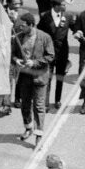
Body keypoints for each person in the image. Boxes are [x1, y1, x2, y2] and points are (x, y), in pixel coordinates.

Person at [12, 12, 55, 148]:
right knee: (25, 105)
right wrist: (16, 60)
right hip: (24, 77)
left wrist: (34, 63)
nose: (21, 28)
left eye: (23, 26)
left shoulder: (45, 37)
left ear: (31, 25)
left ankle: (39, 135)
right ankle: (28, 127)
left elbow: (50, 56)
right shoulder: (18, 37)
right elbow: (12, 54)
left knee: (39, 106)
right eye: (20, 26)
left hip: (39, 77)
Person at [37, 0, 74, 110]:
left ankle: (58, 100)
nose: (65, 6)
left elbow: (75, 28)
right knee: (47, 78)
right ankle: (46, 103)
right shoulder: (45, 16)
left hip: (62, 52)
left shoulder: (68, 16)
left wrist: (79, 32)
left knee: (60, 77)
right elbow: (39, 32)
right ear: (56, 6)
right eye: (63, 4)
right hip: (49, 52)